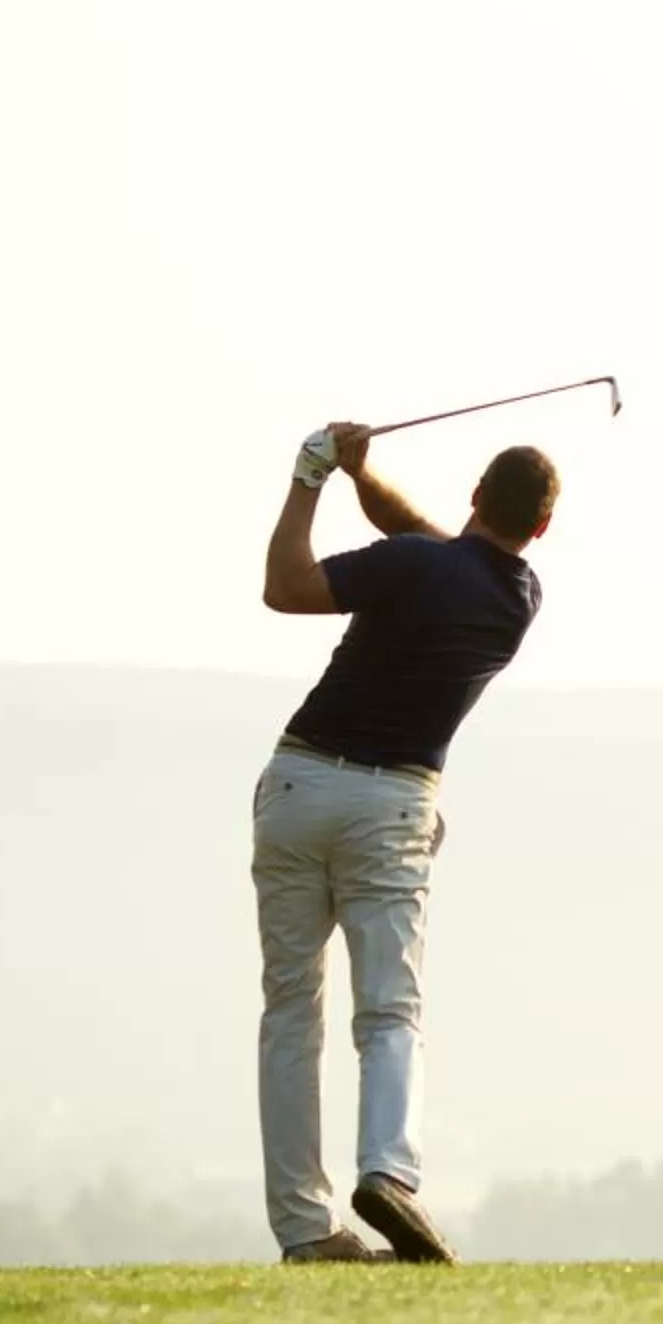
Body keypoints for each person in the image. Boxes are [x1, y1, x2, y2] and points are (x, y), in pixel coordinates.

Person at [253, 422, 555, 1264]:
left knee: (289, 1012)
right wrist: (364, 472)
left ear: (472, 498)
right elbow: (431, 543)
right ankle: (388, 1173)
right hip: (391, 809)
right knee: (388, 1010)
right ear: (541, 528)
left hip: (295, 783)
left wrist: (312, 476)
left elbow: (286, 586)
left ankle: (306, 1231)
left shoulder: (415, 564)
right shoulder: (517, 597)